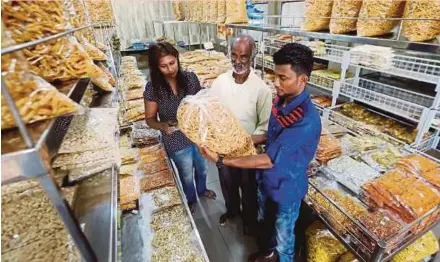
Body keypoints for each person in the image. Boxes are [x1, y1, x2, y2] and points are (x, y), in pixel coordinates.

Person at [202, 43, 322, 262]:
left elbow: (268, 159)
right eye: (275, 76)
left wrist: (222, 159)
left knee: (284, 239)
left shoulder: (306, 121)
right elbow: (271, 136)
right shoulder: (281, 100)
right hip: (267, 182)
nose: (276, 83)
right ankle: (267, 253)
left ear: (302, 80)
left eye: (283, 78)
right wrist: (241, 139)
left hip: (286, 189)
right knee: (265, 225)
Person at [209, 35, 272, 234]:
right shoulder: (220, 82)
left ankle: (249, 220)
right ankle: (232, 211)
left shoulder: (261, 89)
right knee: (227, 185)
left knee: (249, 189)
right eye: (234, 55)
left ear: (252, 56)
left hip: (247, 153)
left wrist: (244, 142)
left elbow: (265, 128)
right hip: (223, 150)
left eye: (243, 56)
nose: (238, 61)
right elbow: (211, 111)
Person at [144, 42, 216, 214]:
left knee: (202, 167)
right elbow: (149, 119)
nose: (170, 69)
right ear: (156, 67)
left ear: (177, 59)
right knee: (185, 173)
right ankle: (190, 199)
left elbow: (201, 104)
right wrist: (162, 126)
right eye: (164, 66)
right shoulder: (153, 88)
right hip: (175, 139)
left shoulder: (190, 78)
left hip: (196, 135)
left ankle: (202, 189)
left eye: (172, 63)